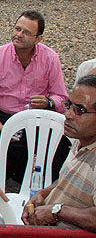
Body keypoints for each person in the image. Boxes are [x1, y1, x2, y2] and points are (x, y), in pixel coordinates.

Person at [0, 11, 69, 182]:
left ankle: (51, 186)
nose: (19, 35)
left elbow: (62, 98)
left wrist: (48, 102)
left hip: (35, 116)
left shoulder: (50, 58)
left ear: (38, 38)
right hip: (1, 116)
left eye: (26, 32)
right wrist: (1, 126)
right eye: (17, 29)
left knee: (60, 143)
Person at [21, 74, 96, 231]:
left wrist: (56, 211)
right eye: (69, 105)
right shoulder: (81, 140)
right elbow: (69, 178)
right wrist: (44, 193)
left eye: (79, 110)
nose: (68, 115)